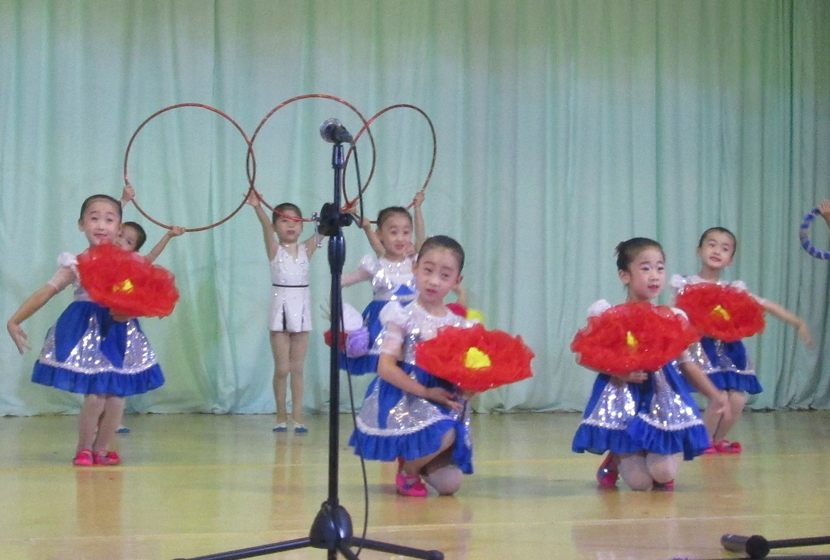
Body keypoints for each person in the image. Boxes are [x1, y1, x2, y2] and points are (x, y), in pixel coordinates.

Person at [6, 194, 165, 466]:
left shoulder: (128, 264)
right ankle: (84, 447)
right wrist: (14, 320)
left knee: (117, 398)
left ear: (119, 227)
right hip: (87, 333)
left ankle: (102, 448)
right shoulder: (76, 264)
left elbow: (136, 295)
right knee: (94, 397)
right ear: (81, 224)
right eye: (94, 218)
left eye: (109, 219)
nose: (101, 225)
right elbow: (46, 292)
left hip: (119, 333)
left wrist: (129, 308)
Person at [572, 237, 729, 491]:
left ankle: (658, 459)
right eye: (645, 268)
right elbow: (583, 356)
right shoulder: (608, 314)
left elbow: (688, 364)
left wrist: (715, 395)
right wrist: (618, 371)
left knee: (663, 475)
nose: (654, 275)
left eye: (660, 267)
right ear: (625, 275)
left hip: (663, 398)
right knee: (640, 484)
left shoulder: (674, 317)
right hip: (623, 397)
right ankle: (616, 457)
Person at [349, 235, 476, 497]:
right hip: (407, 397)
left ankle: (420, 460)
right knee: (447, 433)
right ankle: (408, 469)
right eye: (428, 270)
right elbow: (386, 367)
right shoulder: (401, 314)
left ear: (456, 281)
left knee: (450, 485)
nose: (433, 281)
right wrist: (426, 392)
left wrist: (472, 387)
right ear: (414, 268)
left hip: (441, 399)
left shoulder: (458, 324)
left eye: (445, 275)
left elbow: (462, 374)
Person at [671, 227, 813, 453]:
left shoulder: (732, 289)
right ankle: (703, 441)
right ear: (699, 250)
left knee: (737, 400)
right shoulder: (685, 284)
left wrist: (797, 322)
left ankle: (718, 440)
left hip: (729, 351)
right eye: (712, 244)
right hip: (702, 349)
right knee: (718, 399)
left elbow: (765, 304)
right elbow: (673, 314)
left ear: (730, 260)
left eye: (725, 248)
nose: (717, 250)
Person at [246, 191, 319, 433]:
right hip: (280, 308)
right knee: (282, 368)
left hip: (302, 309)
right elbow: (265, 227)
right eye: (284, 220)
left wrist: (340, 214)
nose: (291, 225)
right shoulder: (274, 249)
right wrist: (257, 207)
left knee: (298, 368)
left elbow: (324, 231)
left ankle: (297, 417)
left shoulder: (307, 249)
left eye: (296, 221)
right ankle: (280, 414)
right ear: (276, 227)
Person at [340, 193, 426, 375]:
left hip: (413, 321)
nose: (400, 238)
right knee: (388, 368)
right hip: (384, 326)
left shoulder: (415, 264)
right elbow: (340, 281)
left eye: (405, 232)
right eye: (393, 232)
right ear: (380, 234)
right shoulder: (377, 266)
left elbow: (421, 241)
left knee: (411, 368)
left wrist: (418, 209)